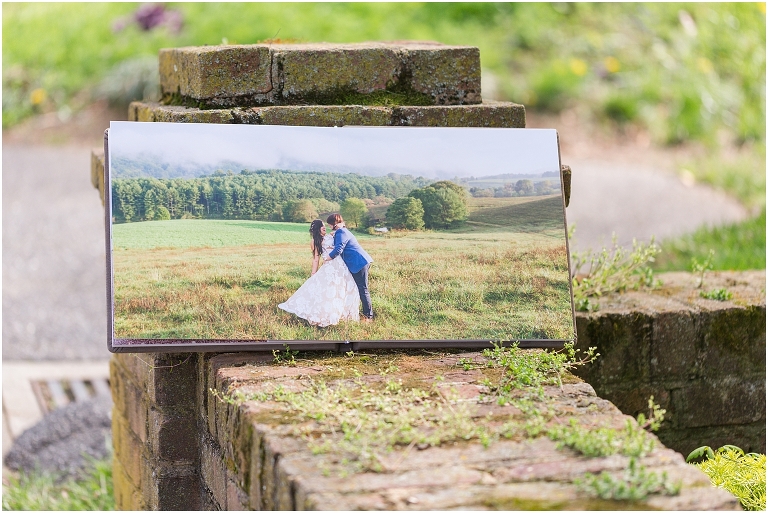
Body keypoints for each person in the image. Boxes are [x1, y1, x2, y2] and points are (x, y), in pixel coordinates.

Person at [278, 219, 360, 327]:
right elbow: (316, 259)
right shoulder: (315, 241)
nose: (324, 227)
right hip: (330, 267)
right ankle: (328, 315)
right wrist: (313, 273)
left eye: (324, 225)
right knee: (329, 291)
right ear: (317, 228)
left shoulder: (332, 235)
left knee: (345, 288)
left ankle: (343, 314)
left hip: (341, 266)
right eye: (322, 226)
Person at [324, 213, 374, 322]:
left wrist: (327, 258)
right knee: (358, 288)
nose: (329, 227)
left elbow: (338, 249)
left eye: (329, 225)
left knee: (363, 289)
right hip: (358, 262)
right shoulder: (342, 231)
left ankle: (369, 316)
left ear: (334, 224)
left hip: (359, 262)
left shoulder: (341, 232)